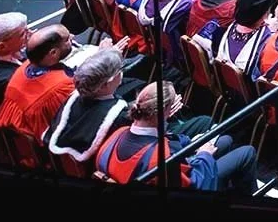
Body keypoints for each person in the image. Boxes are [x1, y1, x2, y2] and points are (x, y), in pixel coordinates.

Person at [96, 82, 258, 191]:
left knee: (224, 141)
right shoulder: (163, 157)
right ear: (165, 111)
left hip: (142, 175)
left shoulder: (118, 134)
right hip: (173, 179)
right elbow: (196, 184)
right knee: (247, 152)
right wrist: (204, 156)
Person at [0, 24, 80, 140]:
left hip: (19, 142)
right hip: (56, 144)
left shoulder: (22, 69)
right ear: (53, 53)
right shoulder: (60, 89)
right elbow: (76, 119)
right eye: (67, 40)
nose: (72, 37)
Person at [48, 45, 130, 165]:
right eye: (119, 70)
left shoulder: (72, 100)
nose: (121, 72)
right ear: (106, 84)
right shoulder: (118, 117)